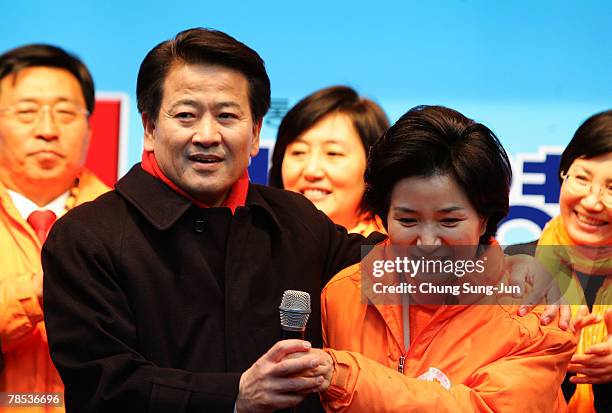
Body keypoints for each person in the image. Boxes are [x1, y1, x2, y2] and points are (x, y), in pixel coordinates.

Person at [41, 28, 386, 413]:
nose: (207, 135)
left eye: (227, 115)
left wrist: (441, 202)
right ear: (150, 128)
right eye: (186, 115)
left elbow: (418, 276)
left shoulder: (297, 221)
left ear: (255, 132)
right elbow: (103, 386)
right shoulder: (86, 237)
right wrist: (234, 395)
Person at [316, 105, 576, 412]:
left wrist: (346, 378)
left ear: (484, 219)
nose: (427, 242)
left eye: (449, 222)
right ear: (385, 216)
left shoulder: (535, 312)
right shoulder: (342, 295)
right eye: (408, 220)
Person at [0, 44, 109, 411]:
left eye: (65, 113)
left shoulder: (125, 221)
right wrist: (39, 291)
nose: (47, 130)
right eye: (27, 112)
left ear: (90, 127)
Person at [535, 110, 612, 412]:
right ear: (562, 175)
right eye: (581, 178)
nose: (592, 201)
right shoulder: (512, 266)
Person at [269, 86, 388, 235]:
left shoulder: (395, 252)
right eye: (299, 152)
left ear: (373, 166)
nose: (311, 171)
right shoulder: (255, 241)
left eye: (333, 153)